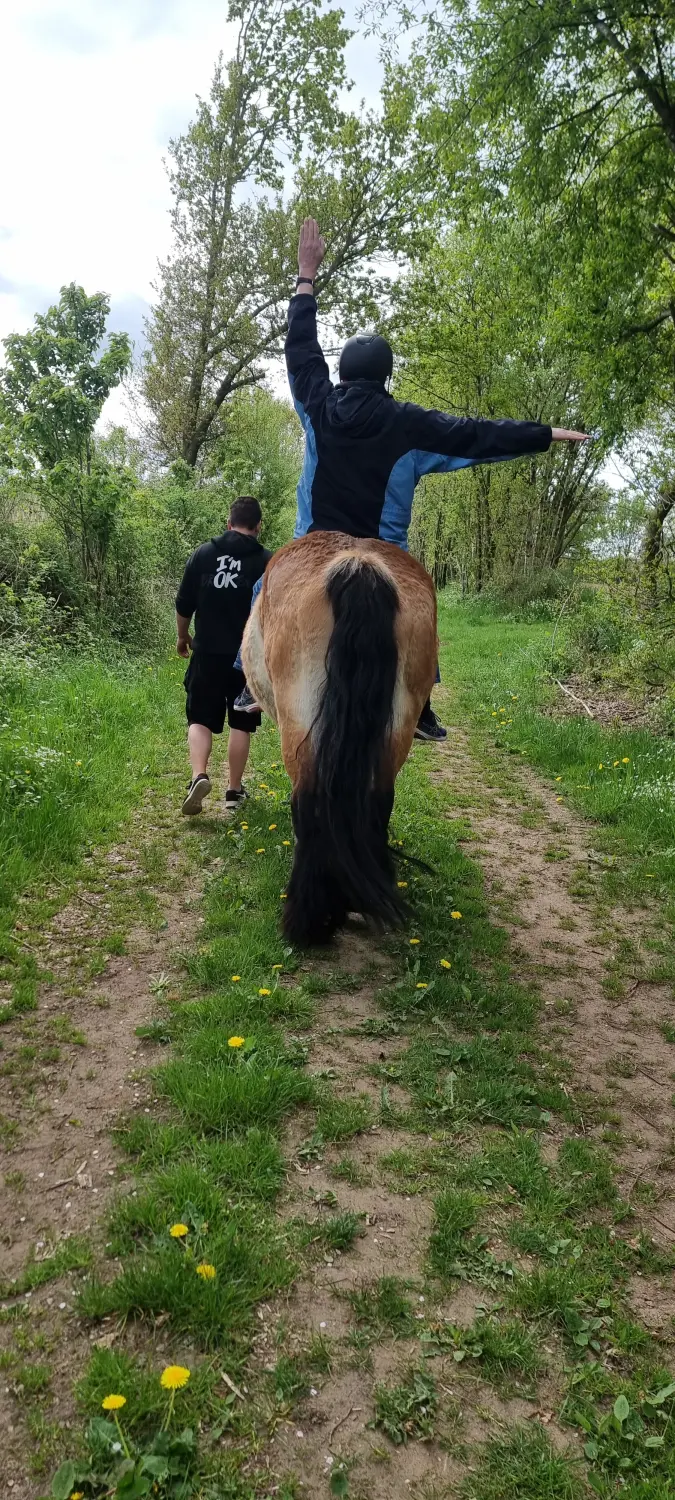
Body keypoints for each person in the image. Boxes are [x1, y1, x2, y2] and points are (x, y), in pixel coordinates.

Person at [235, 221, 588, 735]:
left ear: (343, 373)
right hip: (383, 551)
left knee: (270, 586)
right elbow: (477, 435)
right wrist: (543, 433)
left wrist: (305, 276)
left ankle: (250, 678)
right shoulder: (411, 425)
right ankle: (421, 703)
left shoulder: (317, 404)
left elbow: (300, 350)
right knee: (415, 597)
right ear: (385, 378)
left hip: (314, 542)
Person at [175, 496, 271, 815]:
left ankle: (198, 776)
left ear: (228, 523)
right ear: (258, 526)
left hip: (206, 653)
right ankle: (233, 791)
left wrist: (182, 637)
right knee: (241, 723)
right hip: (246, 658)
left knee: (200, 717)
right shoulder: (268, 562)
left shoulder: (203, 554)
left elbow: (184, 603)